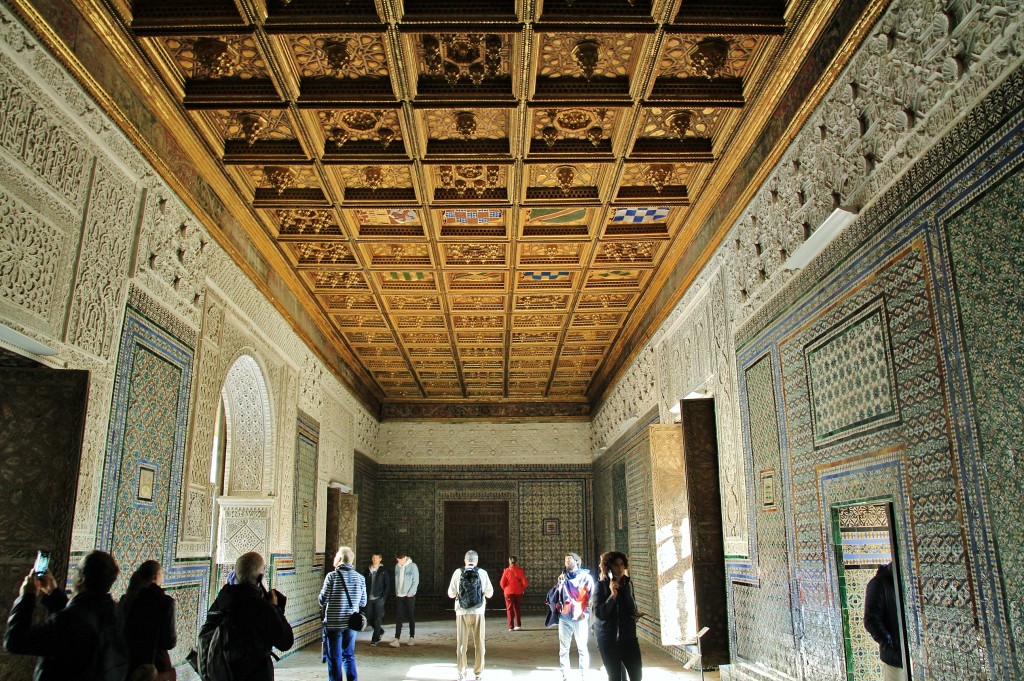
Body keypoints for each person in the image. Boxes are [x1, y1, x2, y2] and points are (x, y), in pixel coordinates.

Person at [4, 549, 126, 681]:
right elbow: (76, 628)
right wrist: (54, 593)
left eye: (77, 570)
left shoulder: (69, 622)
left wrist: (27, 597)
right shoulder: (116, 613)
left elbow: (15, 641)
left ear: (81, 579)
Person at [204, 551, 294, 681]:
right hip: (255, 674)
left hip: (223, 672)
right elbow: (285, 642)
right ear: (260, 578)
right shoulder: (261, 608)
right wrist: (275, 607)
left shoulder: (222, 601)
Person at [119, 560, 177, 680]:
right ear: (156, 577)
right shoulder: (165, 602)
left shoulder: (128, 598)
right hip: (154, 667)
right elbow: (169, 642)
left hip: (130, 663)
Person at [320, 546, 367, 681]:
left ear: (340, 559)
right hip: (351, 624)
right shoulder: (360, 578)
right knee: (348, 655)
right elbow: (363, 602)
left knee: (334, 658)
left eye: (335, 556)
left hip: (334, 624)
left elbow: (323, 600)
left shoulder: (332, 576)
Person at [593, 551, 642, 681]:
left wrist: (635, 614)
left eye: (621, 564)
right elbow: (599, 614)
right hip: (608, 638)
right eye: (616, 565)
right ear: (609, 567)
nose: (620, 568)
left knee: (636, 674)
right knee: (615, 676)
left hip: (628, 636)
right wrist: (612, 596)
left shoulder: (627, 584)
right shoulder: (601, 586)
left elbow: (631, 607)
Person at [447, 550, 494, 681]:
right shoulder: (482, 573)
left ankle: (461, 673)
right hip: (478, 612)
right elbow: (490, 593)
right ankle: (478, 673)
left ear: (465, 560)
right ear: (477, 561)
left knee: (461, 644)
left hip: (461, 612)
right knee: (479, 643)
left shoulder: (458, 572)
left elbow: (450, 593)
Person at [553, 552, 595, 681]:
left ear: (576, 561)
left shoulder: (586, 578)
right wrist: (559, 584)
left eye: (569, 559)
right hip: (565, 617)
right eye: (565, 560)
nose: (566, 561)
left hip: (580, 618)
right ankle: (565, 675)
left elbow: (592, 597)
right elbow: (558, 596)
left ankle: (584, 674)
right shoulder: (562, 577)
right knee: (564, 648)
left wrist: (588, 614)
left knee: (582, 647)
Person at [864, 563, 906, 681]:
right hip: (896, 659)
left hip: (915, 657)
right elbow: (871, 620)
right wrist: (890, 643)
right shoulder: (879, 583)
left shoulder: (907, 580)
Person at [391, 552, 419, 647]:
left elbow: (415, 581)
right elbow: (396, 580)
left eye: (401, 560)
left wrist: (410, 593)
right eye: (398, 560)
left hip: (409, 596)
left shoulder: (413, 566)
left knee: (410, 615)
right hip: (399, 595)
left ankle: (412, 637)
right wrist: (397, 592)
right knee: (398, 617)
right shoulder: (397, 566)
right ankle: (396, 638)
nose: (400, 562)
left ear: (406, 558)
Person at [364, 553, 390, 646]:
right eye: (373, 557)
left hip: (379, 597)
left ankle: (374, 639)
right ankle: (380, 630)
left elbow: (387, 584)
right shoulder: (368, 569)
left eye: (376, 558)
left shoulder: (383, 570)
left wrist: (383, 597)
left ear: (380, 559)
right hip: (369, 597)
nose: (374, 559)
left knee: (377, 618)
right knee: (369, 616)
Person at [499, 555, 528, 631]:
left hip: (508, 592)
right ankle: (518, 625)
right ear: (516, 561)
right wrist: (521, 589)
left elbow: (502, 583)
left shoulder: (506, 571)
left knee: (509, 609)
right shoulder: (520, 570)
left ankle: (511, 627)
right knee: (517, 608)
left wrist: (505, 589)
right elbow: (525, 582)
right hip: (518, 592)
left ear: (509, 561)